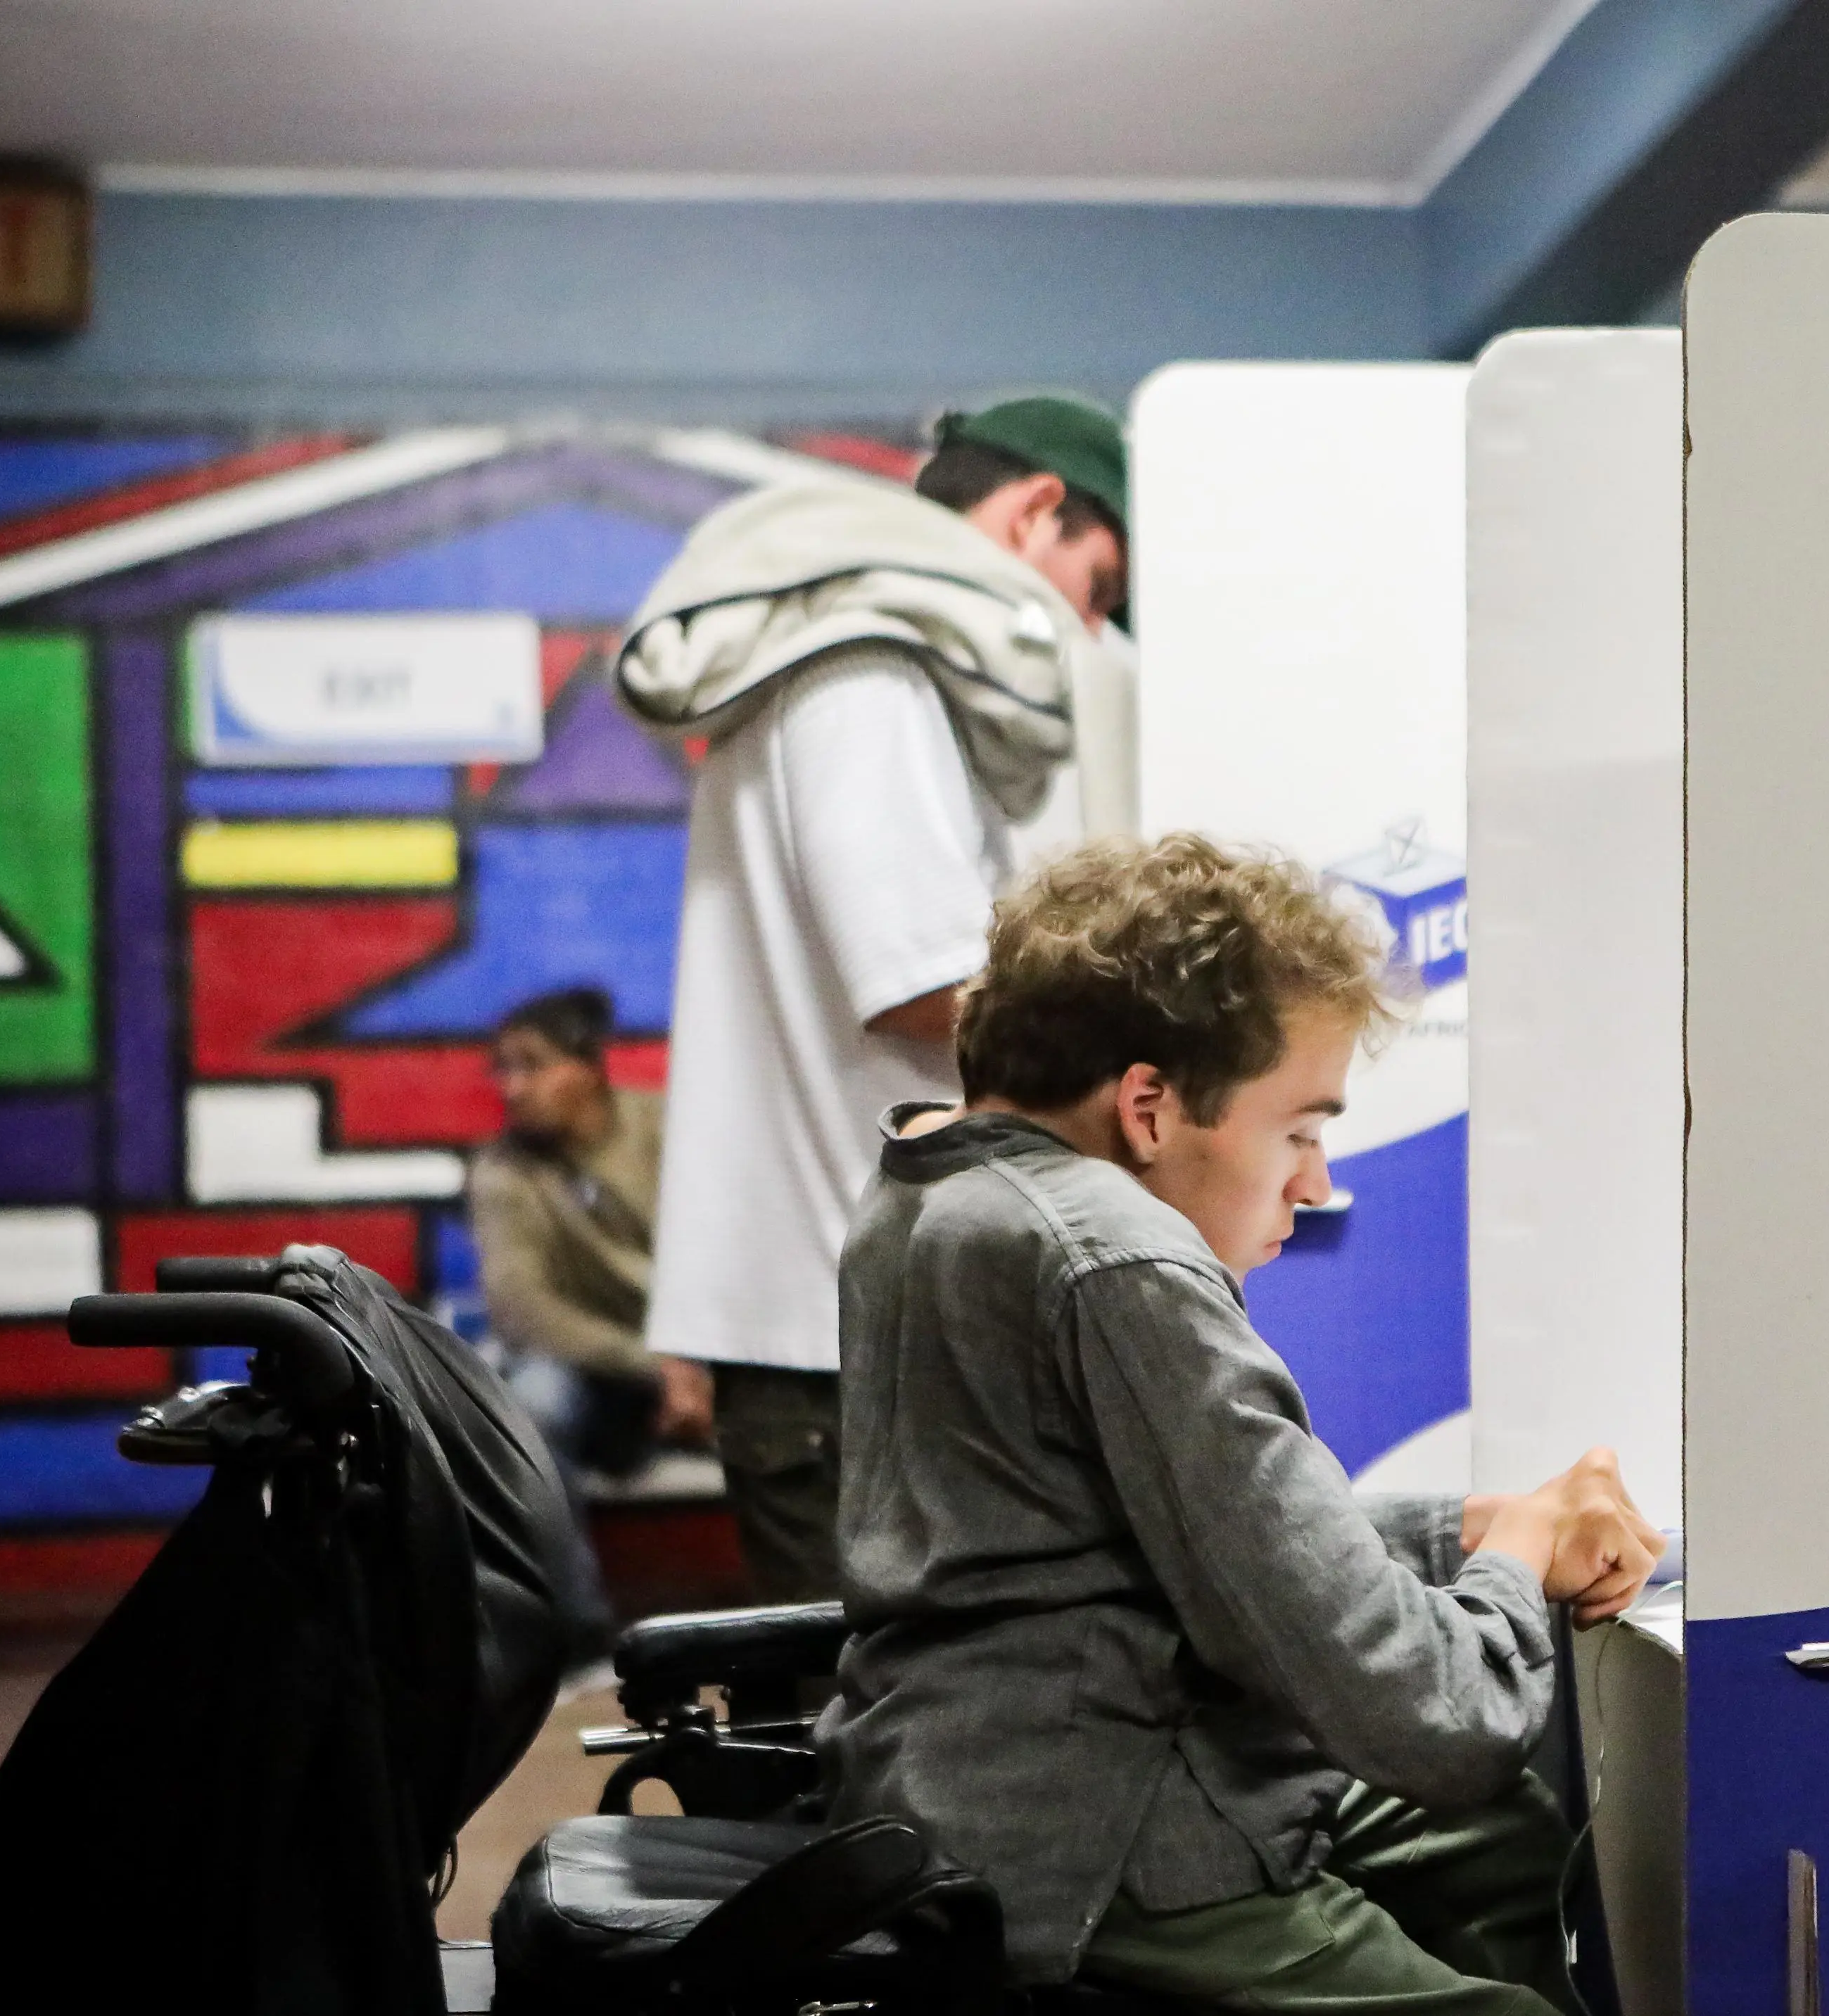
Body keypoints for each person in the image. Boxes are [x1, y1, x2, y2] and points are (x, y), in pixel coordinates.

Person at [818, 835, 1666, 2013]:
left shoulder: (939, 1188)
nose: (1313, 1184)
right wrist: (1517, 1569)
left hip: (962, 1781)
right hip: (1103, 1847)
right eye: (1300, 1130)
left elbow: (1166, 1532)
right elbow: (1429, 1716)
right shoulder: (1113, 1256)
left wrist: (1473, 1528)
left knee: (1488, 1846)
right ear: (1150, 1107)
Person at [616, 396, 1129, 1601]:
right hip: (849, 1342)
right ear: (1033, 508)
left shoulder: (852, 653)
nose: (1088, 634)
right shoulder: (868, 666)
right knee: (876, 1762)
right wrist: (1151, 1076)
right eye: (1096, 588)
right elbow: (923, 987)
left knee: (870, 1744)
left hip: (840, 1325)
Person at [469, 987, 705, 1650]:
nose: (511, 1087)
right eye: (501, 1068)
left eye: (532, 1064)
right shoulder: (503, 1173)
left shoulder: (666, 1129)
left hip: (711, 1362)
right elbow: (523, 1312)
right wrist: (656, 1366)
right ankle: (579, 1637)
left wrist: (703, 1360)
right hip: (606, 1383)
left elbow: (729, 1244)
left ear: (589, 1067)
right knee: (530, 1403)